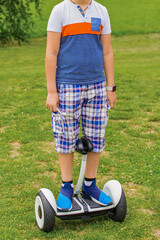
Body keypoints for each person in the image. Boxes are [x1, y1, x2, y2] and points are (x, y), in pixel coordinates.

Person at [45, 0, 116, 211]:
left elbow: (107, 52)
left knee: (96, 137)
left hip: (96, 86)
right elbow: (51, 53)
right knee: (66, 137)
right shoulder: (60, 11)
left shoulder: (101, 11)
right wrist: (51, 91)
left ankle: (89, 185)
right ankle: (66, 186)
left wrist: (110, 87)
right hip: (67, 87)